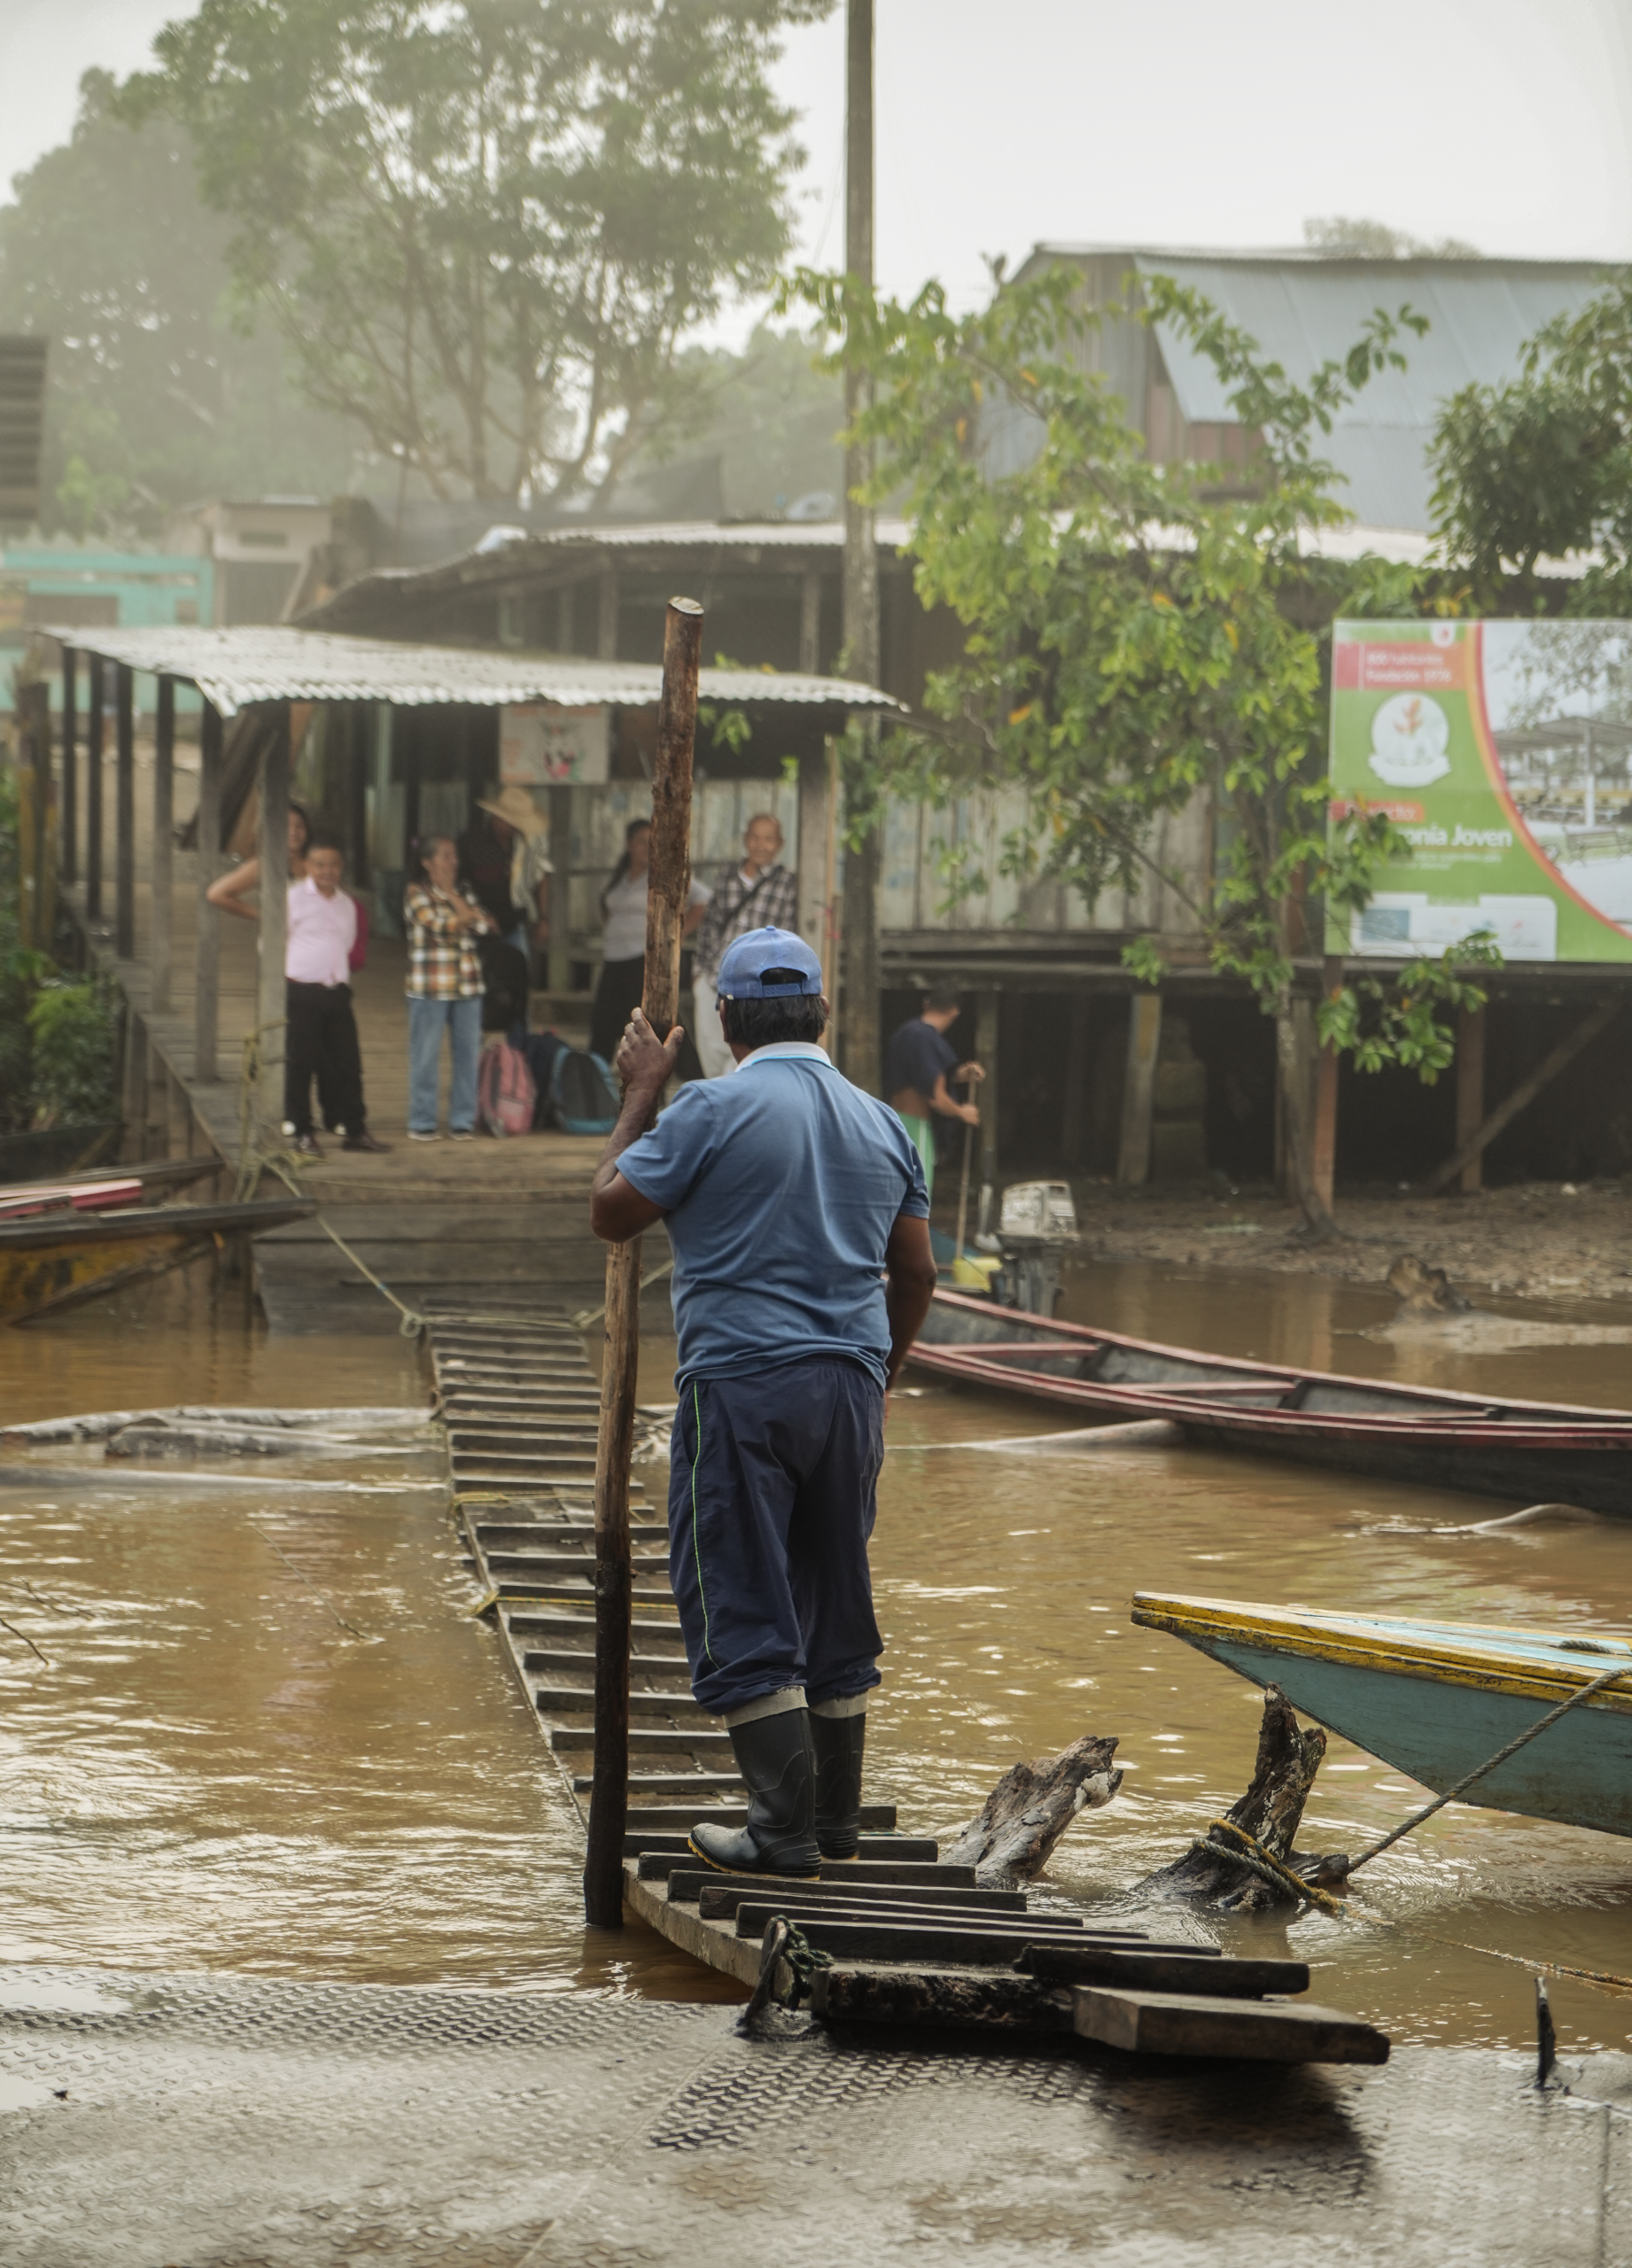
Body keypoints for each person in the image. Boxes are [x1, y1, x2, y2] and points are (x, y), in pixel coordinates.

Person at [589, 925, 938, 1879]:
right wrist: (884, 1372)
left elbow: (610, 1207)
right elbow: (916, 1273)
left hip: (743, 1384)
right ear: (821, 1012)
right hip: (850, 1388)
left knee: (737, 1584)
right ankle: (833, 1822)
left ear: (727, 1019)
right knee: (833, 1591)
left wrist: (639, 1093)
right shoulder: (881, 1123)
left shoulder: (711, 1107)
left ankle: (782, 1830)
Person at [279, 834, 389, 1158]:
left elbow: (346, 945)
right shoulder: (292, 898)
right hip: (302, 991)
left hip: (337, 992)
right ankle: (302, 1131)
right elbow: (273, 942)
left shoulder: (347, 904)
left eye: (334, 864)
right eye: (320, 864)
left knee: (348, 1064)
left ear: (342, 868)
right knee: (301, 1063)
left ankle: (355, 1129)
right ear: (307, 866)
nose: (327, 870)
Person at [589, 816, 709, 1065]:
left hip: (643, 962)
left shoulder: (663, 875)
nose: (647, 847)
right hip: (613, 959)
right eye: (641, 842)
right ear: (629, 844)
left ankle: (674, 1074)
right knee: (603, 1021)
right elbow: (608, 907)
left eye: (652, 842)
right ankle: (595, 1077)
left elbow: (703, 899)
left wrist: (677, 935)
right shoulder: (620, 877)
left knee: (646, 1025)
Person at [689, 812, 798, 1079]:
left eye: (769, 839)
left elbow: (786, 935)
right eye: (755, 837)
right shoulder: (727, 877)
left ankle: (733, 1105)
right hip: (714, 979)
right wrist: (698, 975)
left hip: (756, 985)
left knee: (743, 1053)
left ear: (780, 844)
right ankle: (719, 1103)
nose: (761, 845)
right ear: (745, 840)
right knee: (711, 1051)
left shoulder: (787, 883)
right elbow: (710, 927)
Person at [403, 835, 493, 1143]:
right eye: (444, 856)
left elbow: (481, 926)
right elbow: (442, 926)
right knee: (425, 1056)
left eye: (454, 855)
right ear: (426, 863)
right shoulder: (416, 893)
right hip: (429, 986)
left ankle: (462, 1121)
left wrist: (453, 896)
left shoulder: (464, 891)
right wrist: (463, 915)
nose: (452, 861)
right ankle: (422, 1120)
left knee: (468, 1055)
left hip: (468, 984)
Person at [884, 988, 984, 1203]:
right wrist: (962, 1112)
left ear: (926, 1004)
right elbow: (935, 1096)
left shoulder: (906, 1032)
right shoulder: (928, 1040)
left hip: (893, 1122)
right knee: (915, 1198)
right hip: (915, 1126)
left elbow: (918, 1075)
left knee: (896, 1194)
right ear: (954, 1013)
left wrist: (959, 1075)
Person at [206, 800, 313, 917]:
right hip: (280, 934)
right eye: (286, 826)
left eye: (299, 826)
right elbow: (216, 894)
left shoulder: (317, 862)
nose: (293, 832)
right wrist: (263, 916)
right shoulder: (265, 865)